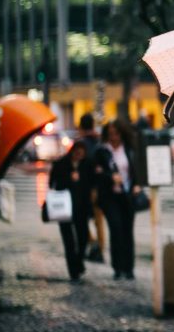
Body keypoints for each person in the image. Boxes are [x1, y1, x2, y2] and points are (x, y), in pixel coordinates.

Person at [94, 119, 141, 280]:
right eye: (111, 134)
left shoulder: (128, 149)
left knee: (127, 230)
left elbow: (135, 170)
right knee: (116, 228)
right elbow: (97, 174)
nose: (114, 137)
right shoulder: (102, 151)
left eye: (116, 133)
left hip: (127, 195)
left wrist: (137, 185)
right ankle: (117, 267)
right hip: (109, 197)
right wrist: (110, 177)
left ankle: (129, 268)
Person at [48, 141, 94, 281]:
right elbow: (52, 183)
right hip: (64, 207)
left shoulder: (87, 164)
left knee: (83, 237)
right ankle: (73, 270)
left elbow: (92, 182)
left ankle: (78, 261)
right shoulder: (61, 163)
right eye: (77, 152)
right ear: (73, 151)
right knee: (69, 241)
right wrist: (69, 179)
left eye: (82, 152)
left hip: (82, 207)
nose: (79, 155)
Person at [78, 112, 105, 263]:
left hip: (86, 187)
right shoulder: (99, 141)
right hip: (99, 186)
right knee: (99, 220)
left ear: (81, 126)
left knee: (81, 218)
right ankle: (100, 250)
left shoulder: (81, 144)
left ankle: (93, 243)